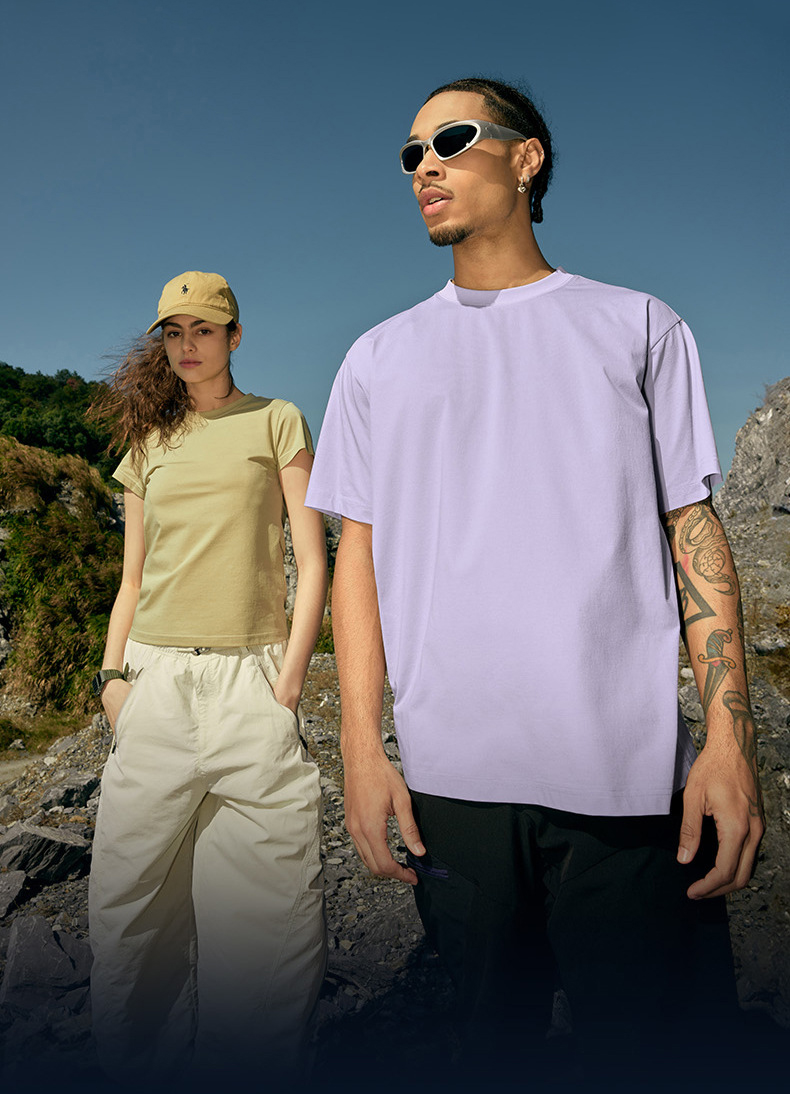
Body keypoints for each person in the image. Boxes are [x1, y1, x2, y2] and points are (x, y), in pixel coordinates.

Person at [305, 79, 764, 1085]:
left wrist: (731, 743)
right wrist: (361, 751)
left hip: (627, 788)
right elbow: (356, 563)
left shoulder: (639, 326)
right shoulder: (376, 359)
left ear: (525, 158)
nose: (424, 166)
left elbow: (691, 529)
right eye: (411, 152)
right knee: (487, 1058)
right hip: (452, 790)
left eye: (452, 139)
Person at [88, 271, 327, 1084]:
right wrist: (112, 680)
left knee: (268, 934)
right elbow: (132, 577)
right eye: (173, 332)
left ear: (234, 336)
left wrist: (288, 683)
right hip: (152, 684)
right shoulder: (147, 445)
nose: (187, 346)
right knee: (127, 921)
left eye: (203, 329)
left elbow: (313, 559)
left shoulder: (277, 420)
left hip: (251, 685)